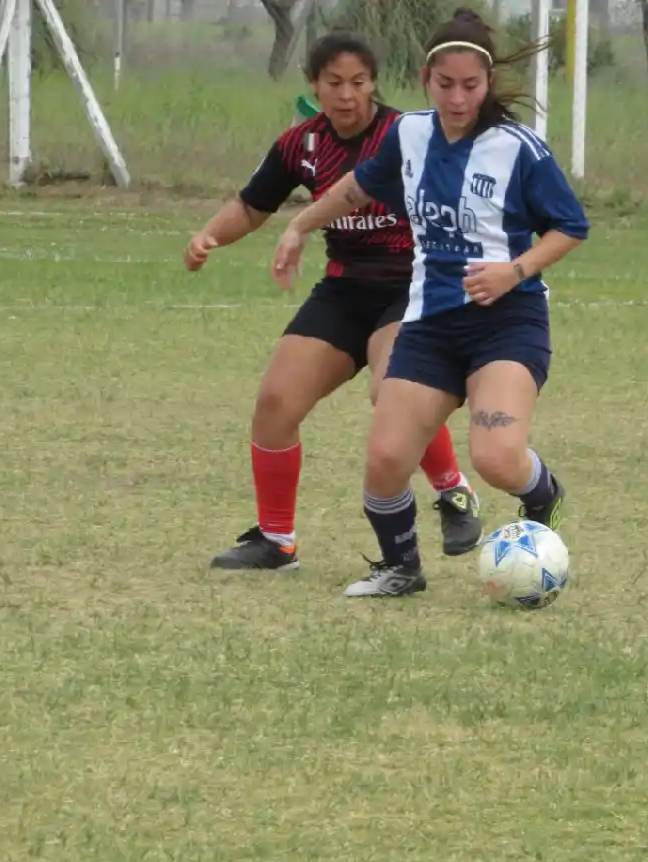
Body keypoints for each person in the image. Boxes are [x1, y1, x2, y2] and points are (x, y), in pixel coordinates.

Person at [271, 7, 590, 597]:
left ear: (487, 83)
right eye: (446, 84)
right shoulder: (408, 133)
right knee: (385, 458)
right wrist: (300, 226)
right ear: (426, 78)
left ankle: (545, 495)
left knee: (496, 457)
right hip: (430, 321)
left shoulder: (518, 148)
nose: (459, 98)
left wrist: (513, 271)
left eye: (471, 85)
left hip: (507, 323)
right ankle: (400, 569)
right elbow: (356, 187)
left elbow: (570, 226)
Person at [183, 29, 482, 570]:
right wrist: (208, 237)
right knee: (276, 402)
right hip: (344, 289)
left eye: (358, 82)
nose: (347, 95)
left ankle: (453, 491)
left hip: (411, 285)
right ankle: (277, 540)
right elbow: (253, 206)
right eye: (334, 83)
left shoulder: (406, 134)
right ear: (314, 85)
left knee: (393, 391)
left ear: (375, 85)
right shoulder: (301, 144)